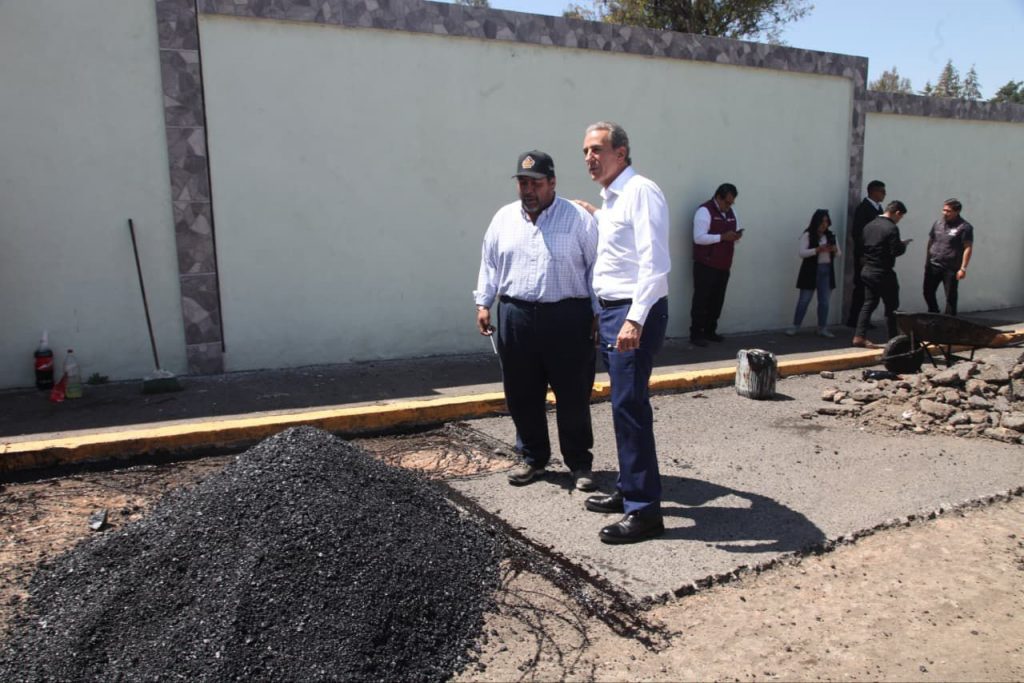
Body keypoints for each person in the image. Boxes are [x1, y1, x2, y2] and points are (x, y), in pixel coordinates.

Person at [474, 150, 599, 492]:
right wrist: (484, 302)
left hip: (568, 319)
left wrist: (599, 312)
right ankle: (532, 458)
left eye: (536, 183)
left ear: (552, 182)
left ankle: (579, 463)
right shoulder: (503, 218)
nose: (528, 190)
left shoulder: (577, 219)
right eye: (523, 183)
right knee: (521, 393)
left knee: (572, 394)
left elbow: (596, 269)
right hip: (516, 317)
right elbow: (490, 263)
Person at [573, 121, 671, 544]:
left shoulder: (641, 191)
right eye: (585, 151)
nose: (590, 158)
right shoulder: (612, 200)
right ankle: (629, 490)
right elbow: (620, 248)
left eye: (598, 149)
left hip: (634, 313)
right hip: (613, 311)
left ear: (622, 152)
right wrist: (597, 213)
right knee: (621, 405)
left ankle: (645, 512)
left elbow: (654, 262)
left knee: (630, 408)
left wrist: (635, 318)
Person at [852, 200, 911, 348]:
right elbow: (895, 251)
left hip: (867, 269)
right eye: (900, 217)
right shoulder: (891, 228)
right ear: (897, 213)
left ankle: (859, 336)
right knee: (892, 307)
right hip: (883, 271)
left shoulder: (869, 225)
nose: (899, 220)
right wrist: (903, 245)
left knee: (868, 303)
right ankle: (893, 339)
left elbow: (862, 244)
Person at [689, 183, 742, 347]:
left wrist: (735, 237)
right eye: (726, 202)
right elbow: (698, 237)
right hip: (706, 264)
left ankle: (710, 331)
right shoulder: (704, 211)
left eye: (731, 203)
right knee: (701, 300)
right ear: (718, 198)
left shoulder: (732, 213)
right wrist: (721, 237)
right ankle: (696, 334)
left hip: (724, 264)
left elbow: (735, 234)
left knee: (717, 301)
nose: (729, 206)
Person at [786, 209, 841, 338]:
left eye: (826, 221)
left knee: (824, 301)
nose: (824, 224)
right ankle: (795, 326)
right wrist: (817, 250)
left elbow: (839, 253)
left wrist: (833, 250)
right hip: (810, 270)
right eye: (822, 222)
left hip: (826, 270)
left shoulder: (831, 235)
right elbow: (802, 253)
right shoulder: (808, 235)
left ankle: (822, 328)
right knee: (804, 300)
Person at [923, 198, 974, 316]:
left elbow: (968, 247)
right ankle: (934, 313)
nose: (945, 213)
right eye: (944, 210)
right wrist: (927, 260)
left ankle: (950, 320)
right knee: (927, 292)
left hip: (951, 267)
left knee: (950, 296)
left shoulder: (964, 227)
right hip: (934, 264)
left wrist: (963, 268)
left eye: (948, 211)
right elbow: (931, 241)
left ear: (957, 212)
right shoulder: (937, 223)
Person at [846, 180, 886, 328]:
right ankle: (854, 319)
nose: (884, 194)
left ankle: (863, 319)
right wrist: (862, 254)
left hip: (875, 255)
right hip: (865, 255)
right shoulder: (864, 209)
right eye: (882, 191)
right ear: (873, 192)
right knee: (861, 287)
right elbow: (857, 233)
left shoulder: (879, 209)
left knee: (870, 289)